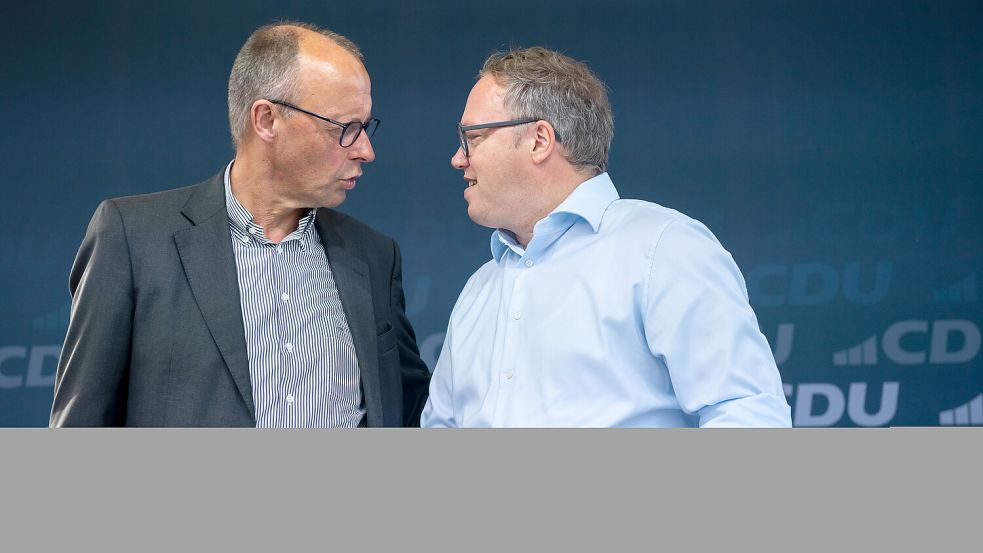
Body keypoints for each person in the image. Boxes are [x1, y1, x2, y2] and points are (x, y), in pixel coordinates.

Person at [50, 22, 430, 427]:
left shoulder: (373, 256)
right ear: (266, 120)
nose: (366, 151)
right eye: (345, 128)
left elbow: (412, 410)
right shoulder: (133, 238)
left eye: (366, 127)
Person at [422, 47, 791, 427]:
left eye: (474, 137)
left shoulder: (663, 250)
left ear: (539, 141)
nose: (458, 158)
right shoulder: (478, 290)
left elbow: (748, 414)